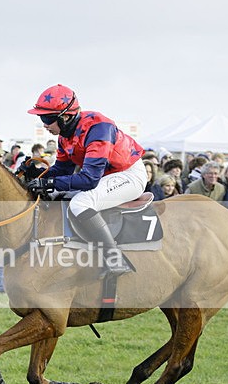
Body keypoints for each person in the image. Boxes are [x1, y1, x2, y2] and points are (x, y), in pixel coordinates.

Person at [25, 84, 147, 274]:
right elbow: (62, 169)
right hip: (107, 177)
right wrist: (38, 173)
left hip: (128, 175)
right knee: (59, 195)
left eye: (47, 118)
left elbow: (89, 180)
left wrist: (49, 183)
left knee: (80, 203)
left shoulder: (99, 128)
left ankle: (115, 260)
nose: (45, 124)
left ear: (65, 117)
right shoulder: (64, 135)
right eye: (42, 118)